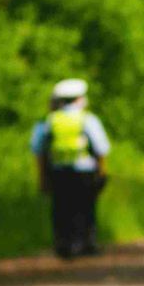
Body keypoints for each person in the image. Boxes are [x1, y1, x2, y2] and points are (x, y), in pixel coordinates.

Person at [31, 78, 109, 258]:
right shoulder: (87, 119)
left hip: (59, 171)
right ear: (80, 99)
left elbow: (38, 149)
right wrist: (102, 171)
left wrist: (42, 176)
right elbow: (101, 148)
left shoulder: (50, 121)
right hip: (85, 171)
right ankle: (87, 243)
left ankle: (63, 243)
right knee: (86, 207)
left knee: (61, 208)